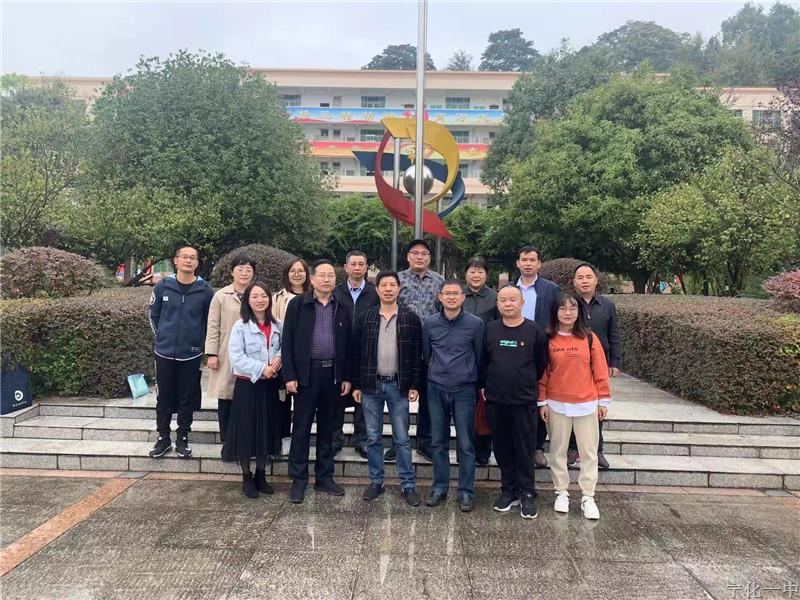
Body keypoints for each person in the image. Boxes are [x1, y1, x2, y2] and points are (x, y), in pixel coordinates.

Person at [282, 259, 352, 504]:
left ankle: (324, 477)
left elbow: (349, 345)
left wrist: (347, 377)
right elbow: (287, 342)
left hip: (332, 375)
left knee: (327, 429)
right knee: (301, 429)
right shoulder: (298, 304)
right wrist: (290, 375)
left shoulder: (342, 305)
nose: (327, 279)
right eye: (322, 275)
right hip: (306, 376)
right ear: (312, 279)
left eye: (331, 275)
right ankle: (298, 479)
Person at [351, 270, 423, 507]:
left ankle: (408, 485)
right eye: (384, 285)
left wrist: (414, 384)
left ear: (399, 289)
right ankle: (376, 481)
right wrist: (357, 384)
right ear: (377, 289)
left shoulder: (410, 318)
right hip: (371, 385)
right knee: (373, 437)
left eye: (393, 285)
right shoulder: (366, 317)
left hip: (398, 385)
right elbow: (356, 353)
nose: (388, 289)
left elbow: (417, 355)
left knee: (402, 438)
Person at [538, 292, 611, 520]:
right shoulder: (548, 339)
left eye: (572, 308)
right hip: (556, 403)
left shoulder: (589, 338)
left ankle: (588, 496)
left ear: (579, 312)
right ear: (555, 312)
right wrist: (542, 401)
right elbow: (543, 373)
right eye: (562, 308)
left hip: (586, 403)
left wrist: (603, 400)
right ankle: (561, 491)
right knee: (558, 451)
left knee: (588, 452)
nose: (567, 313)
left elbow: (600, 370)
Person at [481, 285, 548, 519]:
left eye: (512, 299)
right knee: (502, 448)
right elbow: (484, 361)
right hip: (496, 401)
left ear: (521, 303)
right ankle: (508, 490)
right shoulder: (490, 329)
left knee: (524, 448)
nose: (508, 304)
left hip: (524, 401)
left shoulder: (534, 330)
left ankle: (527, 492)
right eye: (503, 300)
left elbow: (540, 364)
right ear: (497, 304)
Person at [423, 279, 484, 512]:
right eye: (446, 293)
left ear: (462, 297)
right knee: (438, 441)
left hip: (464, 390)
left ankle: (466, 491)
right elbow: (427, 353)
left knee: (466, 443)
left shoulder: (475, 324)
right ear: (440, 297)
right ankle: (439, 487)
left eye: (455, 293)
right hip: (436, 388)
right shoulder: (430, 323)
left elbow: (479, 355)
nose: (451, 297)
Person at [148, 246, 214, 459]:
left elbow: (210, 322)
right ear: (176, 261)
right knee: (164, 397)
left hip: (191, 354)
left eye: (192, 258)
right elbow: (153, 315)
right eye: (184, 257)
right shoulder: (162, 287)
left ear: (197, 263)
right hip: (164, 353)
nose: (188, 260)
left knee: (187, 397)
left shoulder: (205, 290)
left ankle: (183, 437)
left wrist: (202, 345)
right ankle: (163, 438)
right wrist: (161, 338)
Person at [225, 281, 282, 498]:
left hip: (269, 387)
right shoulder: (240, 326)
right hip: (248, 386)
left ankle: (261, 474)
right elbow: (236, 358)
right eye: (255, 296)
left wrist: (278, 359)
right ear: (248, 300)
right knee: (246, 432)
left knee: (266, 430)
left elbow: (284, 347)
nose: (260, 300)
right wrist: (261, 369)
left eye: (264, 296)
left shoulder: (277, 325)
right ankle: (246, 476)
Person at [568, 262, 622, 471]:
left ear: (596, 280)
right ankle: (573, 449)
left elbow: (614, 334)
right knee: (574, 406)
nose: (584, 281)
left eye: (588, 277)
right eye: (580, 277)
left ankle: (597, 450)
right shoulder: (569, 304)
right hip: (574, 362)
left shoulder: (607, 305)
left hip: (599, 362)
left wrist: (614, 361)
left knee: (598, 406)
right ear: (574, 282)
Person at [396, 239, 444, 463]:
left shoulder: (439, 281)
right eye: (414, 253)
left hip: (430, 349)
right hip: (402, 347)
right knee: (400, 397)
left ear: (429, 258)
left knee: (428, 398)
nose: (419, 257)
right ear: (408, 256)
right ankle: (399, 442)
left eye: (423, 253)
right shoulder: (398, 280)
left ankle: (425, 442)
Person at [205, 254, 256, 458]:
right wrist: (211, 353)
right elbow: (213, 325)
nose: (244, 273)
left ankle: (245, 440)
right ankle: (227, 441)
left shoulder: (257, 294)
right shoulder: (221, 296)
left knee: (247, 397)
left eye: (248, 270)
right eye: (240, 269)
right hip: (226, 353)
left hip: (252, 355)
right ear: (232, 272)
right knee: (226, 396)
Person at [515, 245, 559, 468]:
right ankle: (514, 443)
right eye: (524, 260)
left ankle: (537, 446)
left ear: (539, 264)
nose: (528, 263)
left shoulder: (551, 289)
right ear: (518, 263)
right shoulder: (509, 290)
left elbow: (558, 317)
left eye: (532, 260)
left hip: (540, 349)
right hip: (512, 350)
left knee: (539, 397)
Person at [332, 251, 379, 459]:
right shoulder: (335, 292)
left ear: (366, 267)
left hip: (366, 351)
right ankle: (334, 439)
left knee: (364, 398)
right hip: (339, 351)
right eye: (353, 264)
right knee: (337, 396)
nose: (357, 268)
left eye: (361, 264)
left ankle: (362, 440)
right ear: (346, 267)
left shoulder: (374, 293)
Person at [462, 256, 498, 467]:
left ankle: (483, 450)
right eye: (472, 271)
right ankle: (464, 448)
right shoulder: (458, 295)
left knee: (484, 407)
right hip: (460, 360)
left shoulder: (494, 298)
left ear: (487, 274)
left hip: (486, 360)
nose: (476, 275)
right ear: (466, 274)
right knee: (465, 408)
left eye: (480, 271)